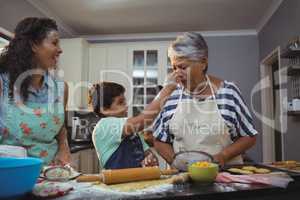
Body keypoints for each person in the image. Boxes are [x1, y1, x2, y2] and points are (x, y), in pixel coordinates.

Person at [153, 32, 257, 166]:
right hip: (183, 177)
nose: (177, 73)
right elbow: (159, 140)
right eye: (174, 67)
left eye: (183, 67)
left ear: (203, 62)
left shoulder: (228, 92)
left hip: (225, 177)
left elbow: (249, 135)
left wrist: (223, 156)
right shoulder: (171, 95)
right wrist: (175, 161)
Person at [0, 17, 70, 165]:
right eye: (54, 43)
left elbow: (60, 129)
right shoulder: (2, 84)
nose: (60, 50)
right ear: (33, 45)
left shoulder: (60, 89)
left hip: (52, 176)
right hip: (11, 176)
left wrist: (64, 149)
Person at [91, 79, 178, 169]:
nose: (126, 106)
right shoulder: (104, 125)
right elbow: (142, 120)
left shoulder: (133, 134)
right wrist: (168, 89)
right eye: (120, 102)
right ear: (105, 109)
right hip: (119, 182)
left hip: (139, 181)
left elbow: (152, 157)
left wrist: (150, 161)